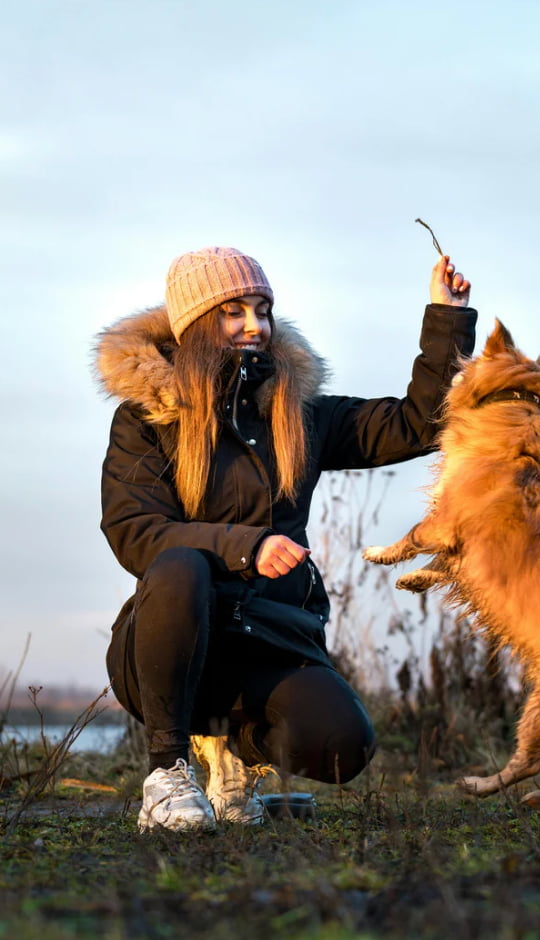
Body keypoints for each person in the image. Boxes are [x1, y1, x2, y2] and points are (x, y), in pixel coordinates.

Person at [94, 244, 476, 832]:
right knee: (179, 566)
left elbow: (417, 424)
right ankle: (168, 774)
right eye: (234, 311)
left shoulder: (298, 413)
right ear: (194, 323)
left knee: (341, 746)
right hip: (167, 644)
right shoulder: (146, 418)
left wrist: (446, 318)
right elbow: (135, 530)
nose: (256, 326)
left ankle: (231, 760)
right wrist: (246, 548)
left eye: (263, 309)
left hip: (268, 636)